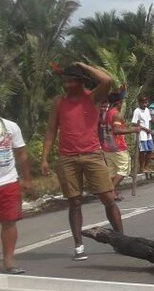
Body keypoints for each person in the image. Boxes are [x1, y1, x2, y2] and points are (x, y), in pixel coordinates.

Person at [40, 62, 123, 261]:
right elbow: (51, 130)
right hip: (67, 157)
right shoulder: (59, 102)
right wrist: (44, 158)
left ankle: (121, 239)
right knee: (74, 202)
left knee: (108, 198)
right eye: (65, 81)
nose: (67, 85)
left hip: (92, 154)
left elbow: (107, 80)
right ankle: (79, 245)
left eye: (72, 81)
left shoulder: (92, 97)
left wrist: (81, 65)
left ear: (81, 81)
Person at [0, 115, 30, 274]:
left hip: (8, 180)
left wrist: (26, 178)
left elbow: (21, 154)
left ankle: (8, 260)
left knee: (9, 221)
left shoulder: (10, 126)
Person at [100, 93, 138, 201]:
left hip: (107, 146)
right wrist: (134, 130)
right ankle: (110, 191)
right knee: (123, 169)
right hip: (117, 147)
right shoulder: (116, 114)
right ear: (119, 103)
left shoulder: (106, 113)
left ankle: (114, 193)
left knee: (112, 171)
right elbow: (117, 130)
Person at [131, 95, 154, 173]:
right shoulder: (137, 111)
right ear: (139, 103)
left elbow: (149, 121)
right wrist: (144, 129)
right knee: (143, 151)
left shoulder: (147, 110)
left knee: (150, 150)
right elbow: (134, 123)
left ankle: (146, 166)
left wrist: (149, 130)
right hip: (141, 134)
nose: (145, 104)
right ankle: (141, 167)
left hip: (148, 134)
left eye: (146, 102)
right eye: (143, 103)